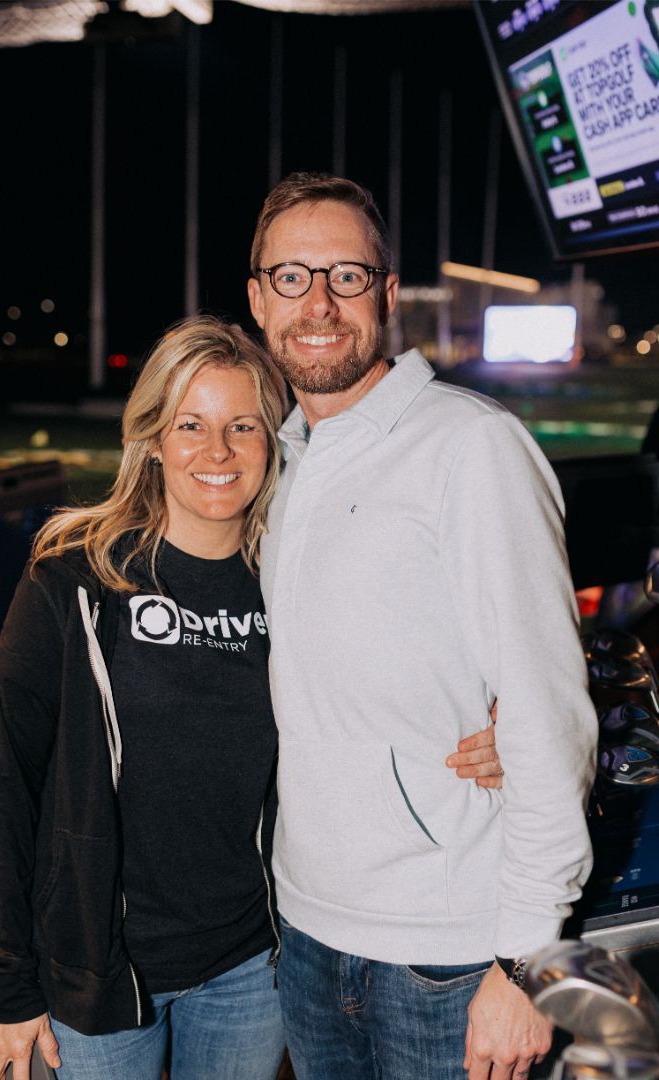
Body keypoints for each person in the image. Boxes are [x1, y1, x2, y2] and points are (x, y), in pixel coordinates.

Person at [0, 313, 496, 1080]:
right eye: (191, 424)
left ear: (272, 442)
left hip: (250, 966)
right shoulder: (74, 583)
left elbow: (413, 651)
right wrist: (6, 986)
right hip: (96, 970)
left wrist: (500, 713)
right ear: (153, 438)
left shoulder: (295, 580)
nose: (216, 452)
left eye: (242, 426)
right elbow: (6, 788)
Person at [246, 173, 598, 1080]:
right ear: (257, 298)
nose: (318, 302)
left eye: (347, 276)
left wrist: (524, 959)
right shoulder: (279, 463)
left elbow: (549, 713)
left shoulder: (470, 446)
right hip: (308, 933)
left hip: (449, 957)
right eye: (291, 276)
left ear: (389, 293)